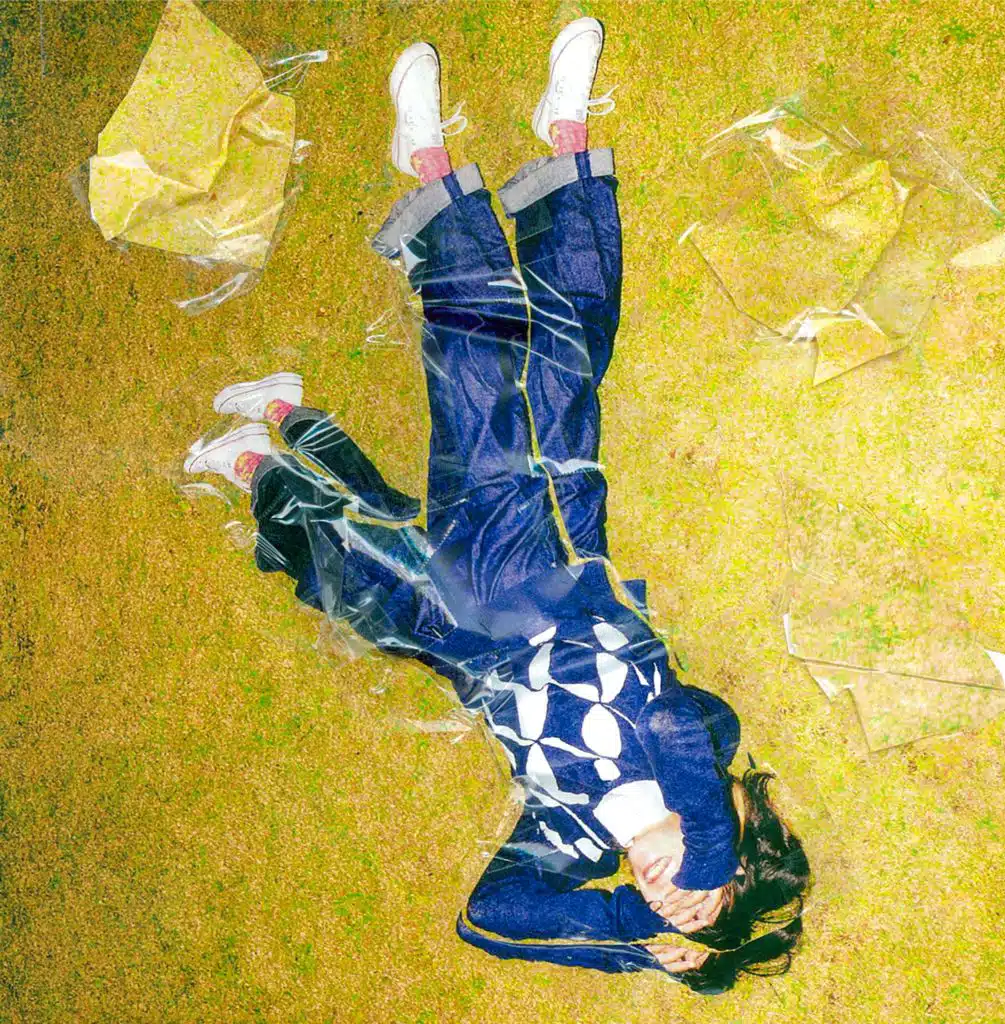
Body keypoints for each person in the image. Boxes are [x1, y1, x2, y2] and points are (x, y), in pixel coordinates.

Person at [184, 19, 810, 993]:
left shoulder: (569, 835)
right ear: (727, 839)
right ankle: (492, 153)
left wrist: (628, 935)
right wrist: (704, 854)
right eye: (706, 892)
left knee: (350, 556)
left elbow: (491, 917)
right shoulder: (701, 740)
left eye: (678, 912)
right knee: (535, 365)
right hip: (549, 557)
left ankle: (280, 429)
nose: (675, 893)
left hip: (459, 627)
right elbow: (683, 733)